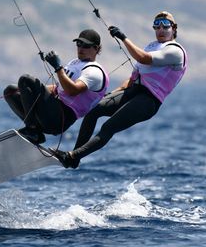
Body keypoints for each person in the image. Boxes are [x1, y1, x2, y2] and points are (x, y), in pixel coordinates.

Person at [50, 11, 188, 169]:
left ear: (174, 28)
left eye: (166, 25)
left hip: (148, 100)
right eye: (157, 25)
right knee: (94, 111)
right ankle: (74, 157)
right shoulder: (152, 46)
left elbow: (143, 58)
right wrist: (112, 94)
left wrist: (123, 37)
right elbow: (133, 77)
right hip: (133, 91)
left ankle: (72, 156)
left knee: (109, 127)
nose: (161, 29)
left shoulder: (176, 51)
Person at [3, 29, 109, 144]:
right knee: (11, 90)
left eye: (86, 45)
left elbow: (72, 91)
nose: (81, 48)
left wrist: (58, 68)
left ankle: (32, 130)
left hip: (61, 117)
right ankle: (36, 132)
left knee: (26, 79)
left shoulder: (94, 71)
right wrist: (28, 91)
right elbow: (59, 88)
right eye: (79, 43)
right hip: (51, 109)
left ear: (96, 49)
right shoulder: (75, 63)